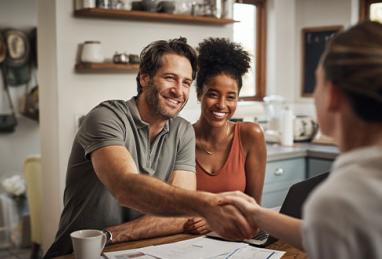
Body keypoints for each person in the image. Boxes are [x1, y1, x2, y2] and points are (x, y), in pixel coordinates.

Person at [44, 38, 254, 258]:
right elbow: (125, 187)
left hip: (140, 250)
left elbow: (181, 213)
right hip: (77, 253)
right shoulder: (105, 117)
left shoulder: (182, 131)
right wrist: (206, 204)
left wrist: (111, 234)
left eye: (185, 83)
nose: (178, 91)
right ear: (144, 78)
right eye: (170, 78)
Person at [223, 21, 382, 259]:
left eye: (317, 82)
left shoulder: (339, 200)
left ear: (334, 96)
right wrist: (256, 213)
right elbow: (324, 233)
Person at [184, 38, 266, 235]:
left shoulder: (250, 135)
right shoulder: (181, 137)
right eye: (213, 94)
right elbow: (172, 205)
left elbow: (253, 210)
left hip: (236, 239)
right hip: (186, 240)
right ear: (199, 94)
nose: (222, 105)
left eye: (231, 97)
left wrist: (213, 220)